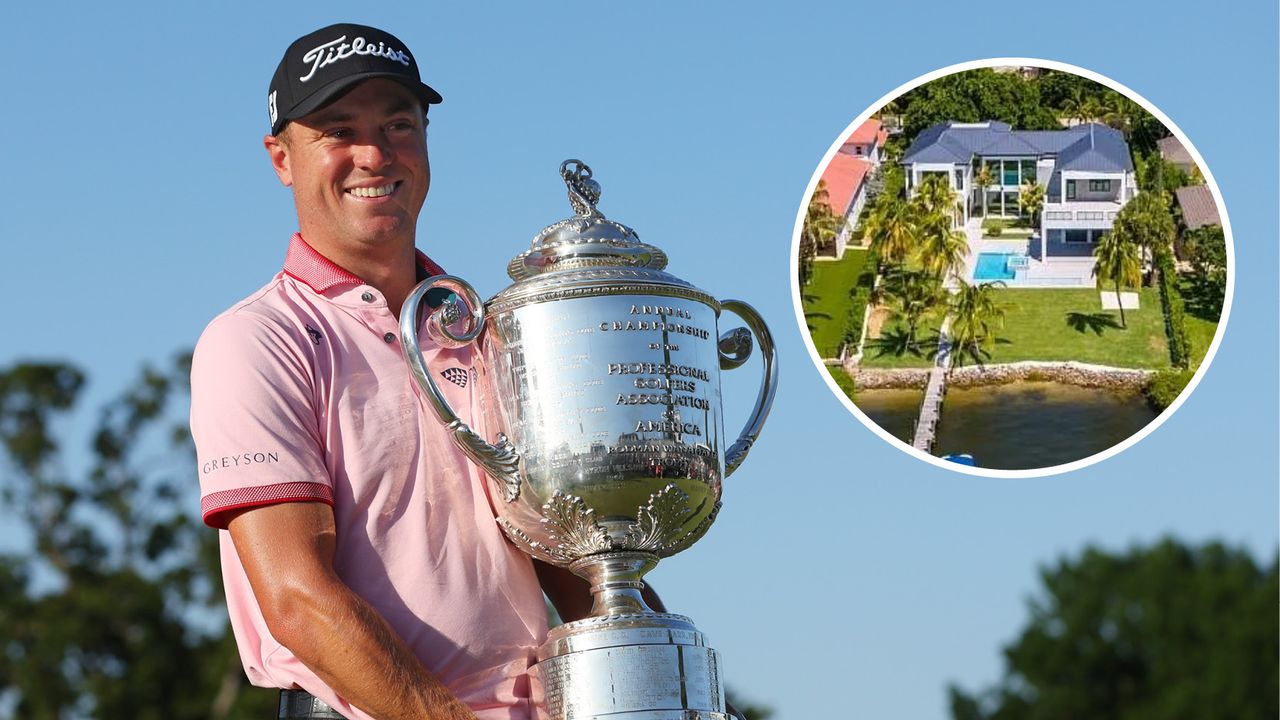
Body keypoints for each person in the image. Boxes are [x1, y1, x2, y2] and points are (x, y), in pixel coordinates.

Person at [190, 23, 605, 720]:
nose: (374, 153)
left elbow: (563, 551)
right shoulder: (258, 340)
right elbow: (297, 601)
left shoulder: (488, 331)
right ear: (281, 159)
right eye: (337, 129)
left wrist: (664, 671)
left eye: (398, 124)